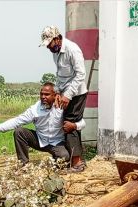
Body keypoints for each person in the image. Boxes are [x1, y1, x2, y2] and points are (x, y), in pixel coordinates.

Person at [0, 82, 85, 166]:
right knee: (19, 132)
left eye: (47, 94)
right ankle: (23, 164)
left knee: (64, 158)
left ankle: (56, 159)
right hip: (40, 140)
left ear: (55, 95)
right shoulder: (35, 109)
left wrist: (74, 126)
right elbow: (17, 121)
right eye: (41, 94)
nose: (43, 97)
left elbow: (82, 123)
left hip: (57, 143)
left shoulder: (62, 107)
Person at [39, 25, 88, 172]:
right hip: (65, 93)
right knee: (65, 123)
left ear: (57, 38)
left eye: (49, 44)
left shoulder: (73, 50)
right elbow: (60, 75)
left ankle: (77, 163)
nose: (48, 48)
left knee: (70, 124)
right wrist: (59, 92)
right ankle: (73, 158)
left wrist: (68, 94)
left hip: (77, 94)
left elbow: (81, 74)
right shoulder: (56, 52)